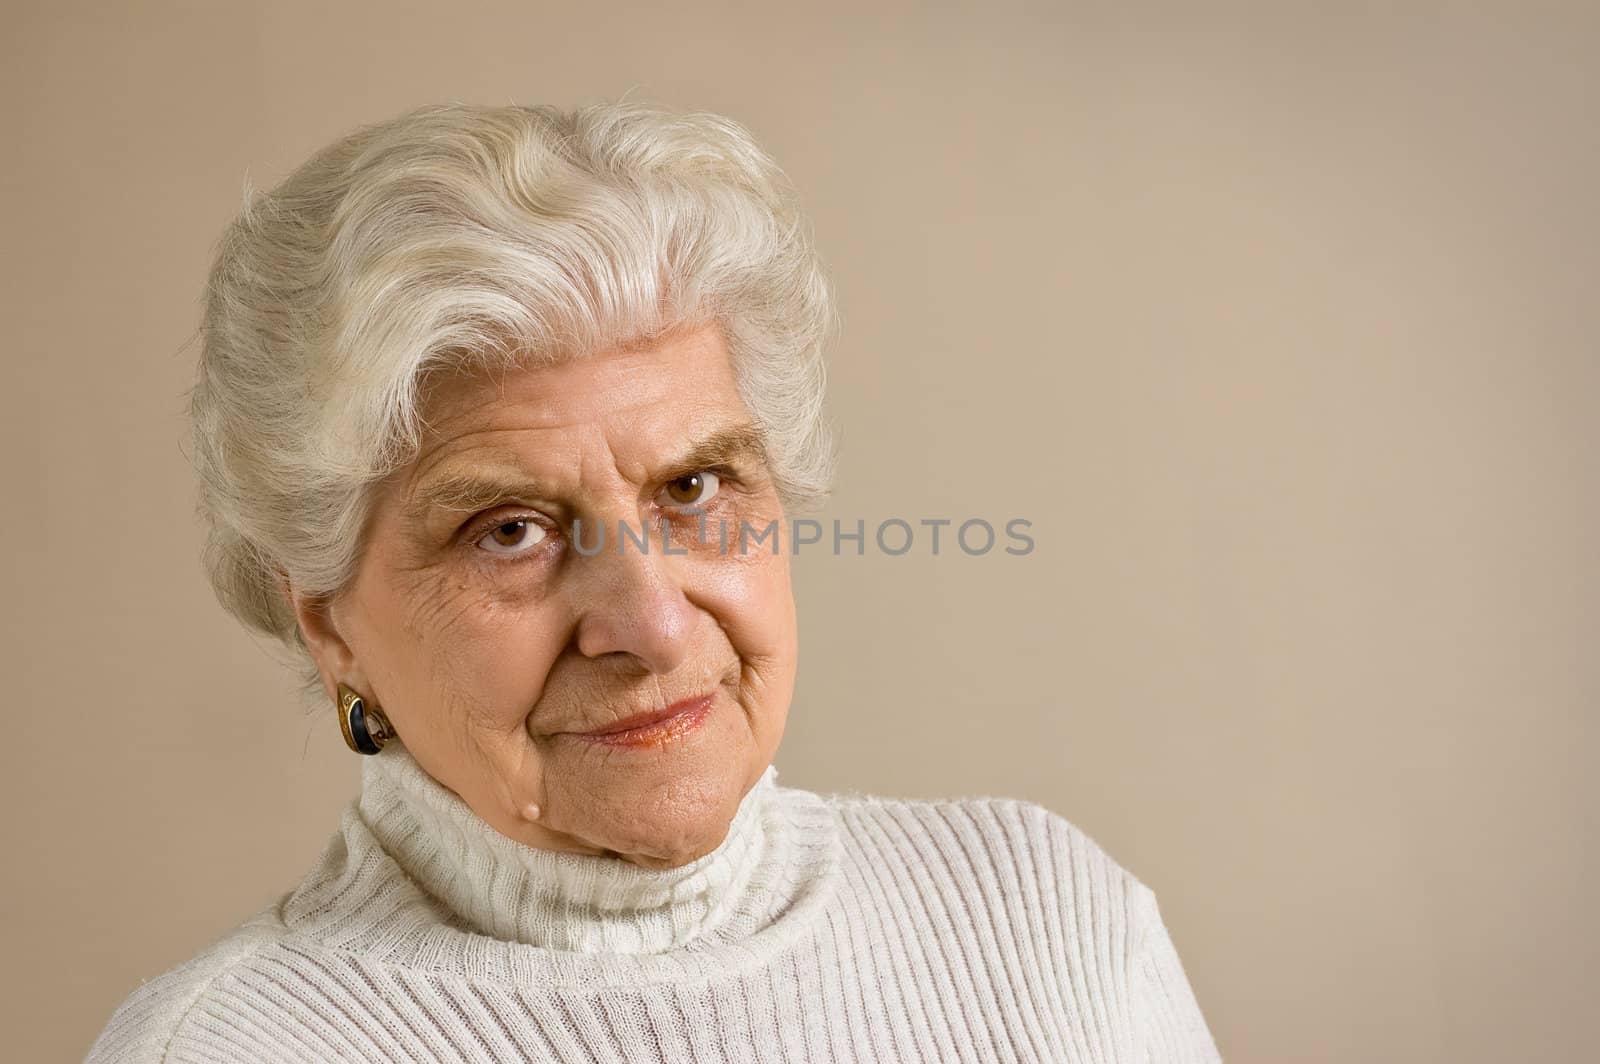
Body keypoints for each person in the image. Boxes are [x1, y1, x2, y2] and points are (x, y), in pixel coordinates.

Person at [86, 100, 1222, 1063]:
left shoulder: (1046, 912)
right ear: (327, 618)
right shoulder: (235, 1044)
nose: (650, 621)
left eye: (692, 487)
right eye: (510, 529)